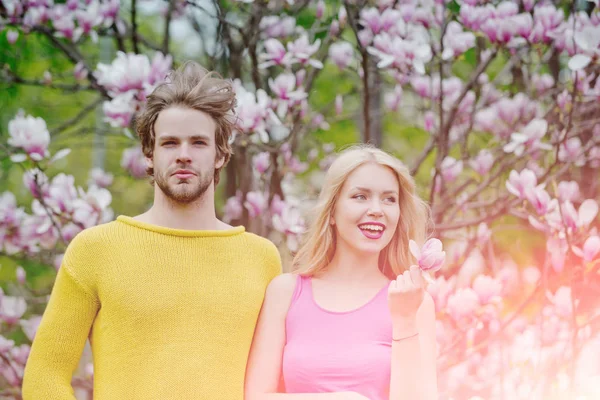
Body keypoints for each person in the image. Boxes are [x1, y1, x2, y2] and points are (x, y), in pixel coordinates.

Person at [22, 62, 282, 399]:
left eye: (199, 143)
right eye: (170, 143)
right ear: (149, 154)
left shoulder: (262, 258)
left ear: (220, 155)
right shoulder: (96, 249)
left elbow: (275, 381)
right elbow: (45, 374)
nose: (184, 155)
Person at [245, 145, 437, 400]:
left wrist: (404, 320)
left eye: (389, 199)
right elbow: (255, 396)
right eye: (360, 196)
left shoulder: (414, 303)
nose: (377, 209)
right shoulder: (286, 292)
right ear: (332, 212)